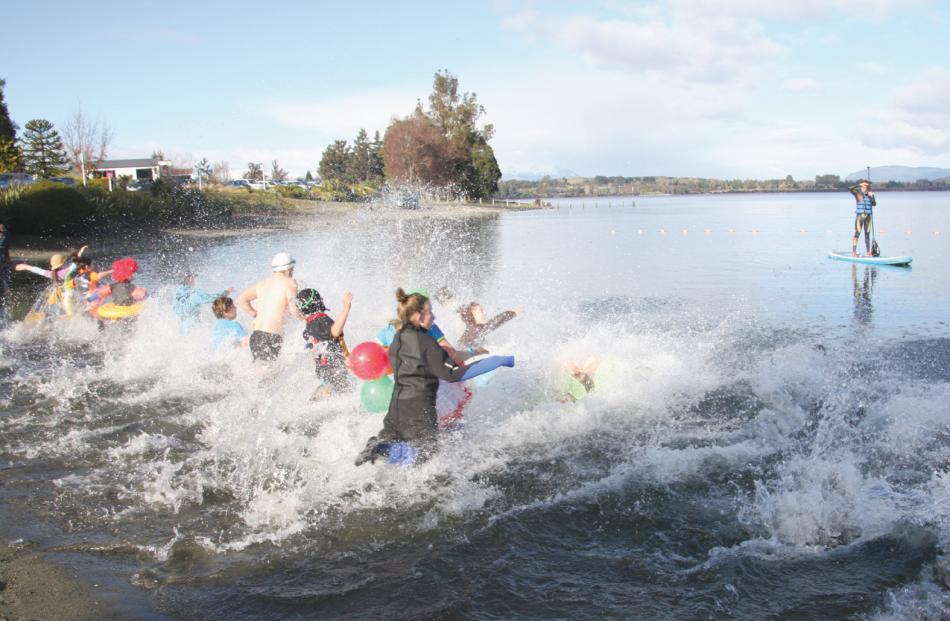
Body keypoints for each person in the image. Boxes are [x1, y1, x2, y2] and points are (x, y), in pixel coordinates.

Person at [356, 289, 470, 465]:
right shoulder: (425, 342)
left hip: (397, 404)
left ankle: (377, 446)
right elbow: (449, 373)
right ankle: (386, 455)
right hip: (420, 406)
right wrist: (486, 363)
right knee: (427, 452)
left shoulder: (396, 339)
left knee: (392, 438)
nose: (433, 317)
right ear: (418, 316)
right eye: (430, 312)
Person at [235, 252, 301, 362]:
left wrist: (255, 314)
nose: (293, 273)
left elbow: (241, 300)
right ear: (288, 269)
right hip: (271, 336)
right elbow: (294, 309)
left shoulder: (262, 283)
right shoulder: (290, 283)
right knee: (266, 374)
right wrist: (306, 321)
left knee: (261, 372)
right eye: (292, 270)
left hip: (255, 335)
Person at [296, 288, 352, 393]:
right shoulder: (321, 319)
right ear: (316, 302)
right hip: (335, 367)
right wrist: (346, 308)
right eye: (319, 297)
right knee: (345, 393)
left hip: (322, 369)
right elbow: (334, 332)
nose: (322, 298)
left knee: (331, 393)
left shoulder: (309, 325)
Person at [457, 302, 521, 350]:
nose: (485, 313)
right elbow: (491, 325)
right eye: (481, 310)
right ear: (473, 315)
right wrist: (513, 313)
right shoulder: (474, 329)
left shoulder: (470, 331)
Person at [849, 179, 876, 257]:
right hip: (860, 216)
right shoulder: (857, 193)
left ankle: (868, 252)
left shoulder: (871, 194)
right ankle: (854, 252)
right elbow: (850, 188)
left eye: (867, 185)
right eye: (864, 185)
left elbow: (874, 204)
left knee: (867, 234)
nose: (866, 186)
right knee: (857, 233)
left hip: (868, 216)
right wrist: (859, 185)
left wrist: (871, 197)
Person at [0, 223, 12, 321]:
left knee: (5, 289)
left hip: (3, 264)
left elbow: (6, 250)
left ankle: (3, 311)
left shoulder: (6, 236)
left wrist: (9, 263)